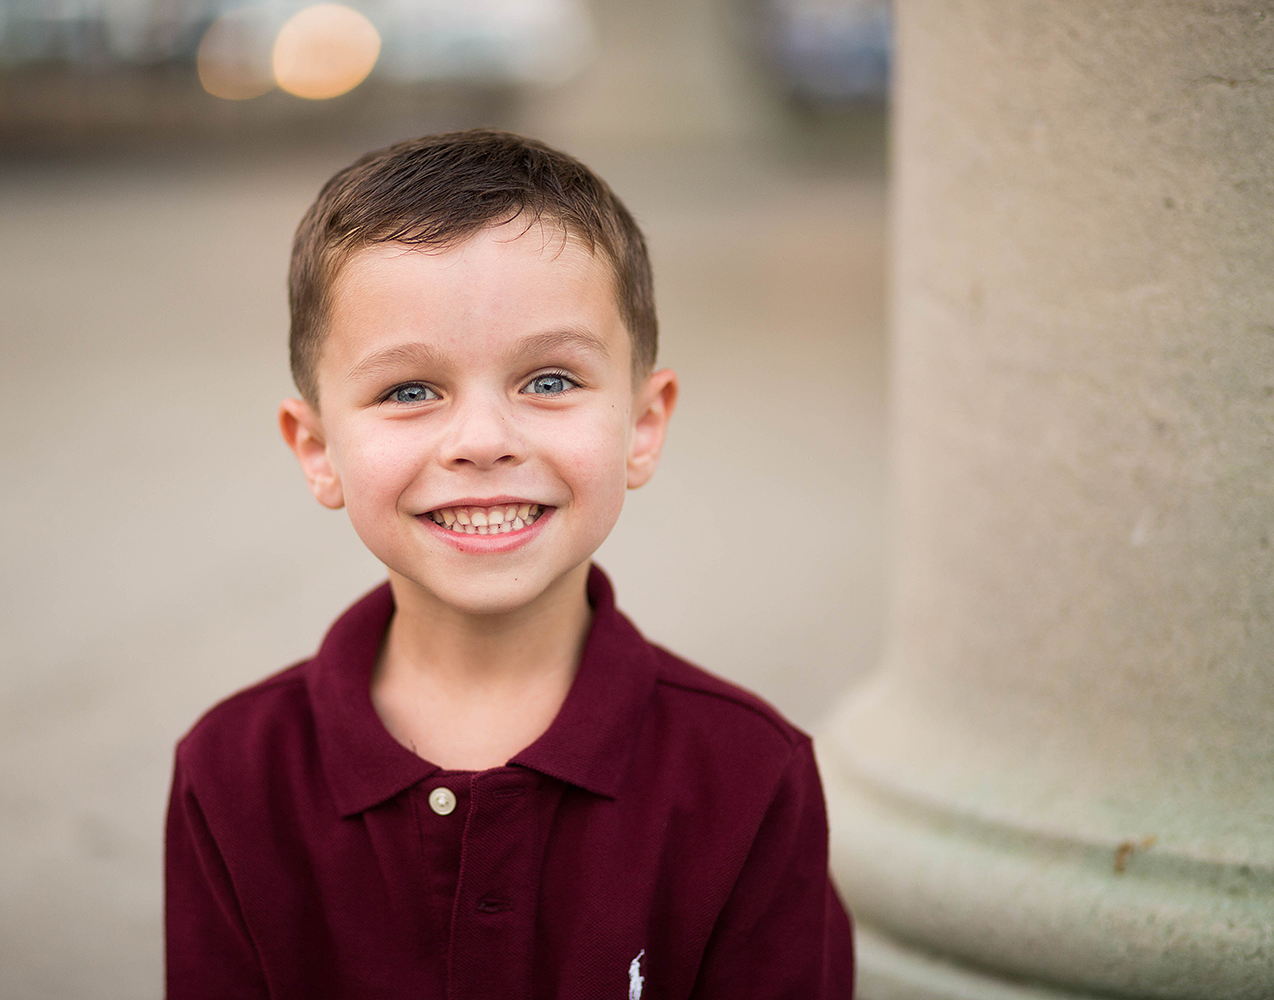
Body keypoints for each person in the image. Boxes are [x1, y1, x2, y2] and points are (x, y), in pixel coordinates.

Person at [164, 129, 853, 999]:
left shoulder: (752, 774)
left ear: (644, 425)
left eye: (550, 380)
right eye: (409, 390)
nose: (484, 441)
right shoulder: (232, 771)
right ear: (317, 449)